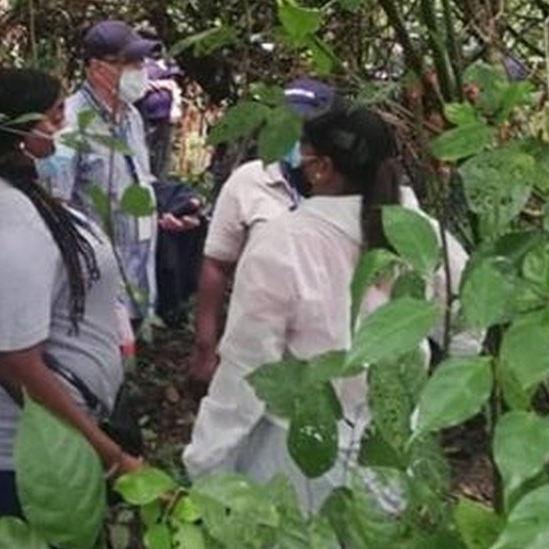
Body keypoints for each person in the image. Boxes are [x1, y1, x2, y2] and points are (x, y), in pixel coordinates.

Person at [182, 103, 481, 514]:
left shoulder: (282, 243)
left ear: (321, 167)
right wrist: (433, 402)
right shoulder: (421, 233)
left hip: (299, 459)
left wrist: (206, 462)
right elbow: (470, 317)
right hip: (391, 459)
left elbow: (249, 372)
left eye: (301, 154)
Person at [0, 68, 142, 548]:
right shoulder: (8, 229)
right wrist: (111, 458)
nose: (64, 126)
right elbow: (15, 365)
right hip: (11, 461)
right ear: (23, 132)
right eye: (55, 115)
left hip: (35, 453)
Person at [48, 20, 201, 329]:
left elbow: (137, 181)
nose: (139, 69)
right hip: (95, 286)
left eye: (141, 61)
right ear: (95, 68)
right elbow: (56, 207)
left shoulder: (131, 116)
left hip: (137, 280)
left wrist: (168, 210)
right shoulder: (70, 125)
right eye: (129, 63)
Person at [188, 78, 335, 388]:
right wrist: (205, 345)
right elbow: (217, 264)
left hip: (325, 353)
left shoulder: (346, 189)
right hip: (254, 350)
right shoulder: (248, 182)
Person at [136, 55, 184, 179]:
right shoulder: (141, 62)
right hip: (145, 115)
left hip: (165, 116)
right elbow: (139, 85)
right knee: (144, 149)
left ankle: (160, 180)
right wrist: (159, 84)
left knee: (163, 152)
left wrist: (176, 106)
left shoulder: (168, 63)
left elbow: (175, 86)